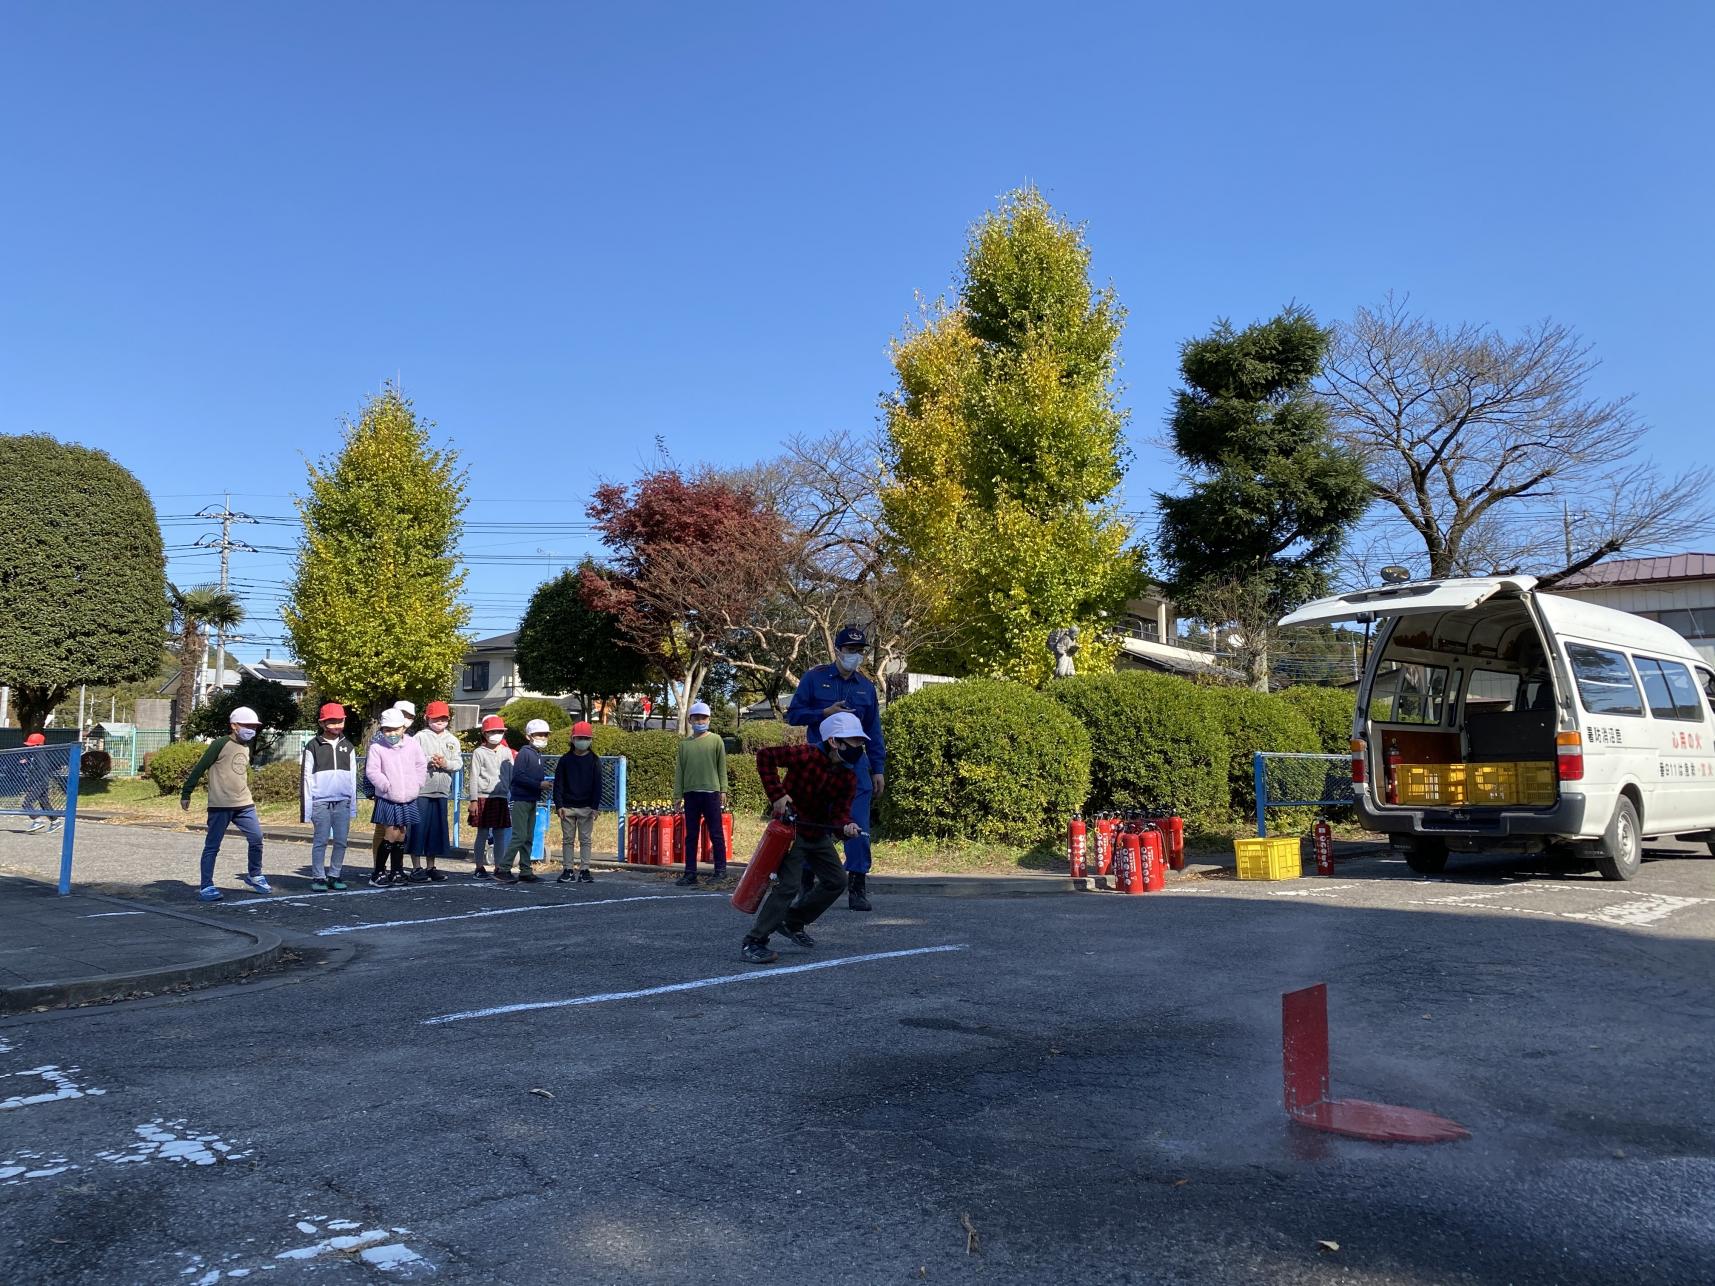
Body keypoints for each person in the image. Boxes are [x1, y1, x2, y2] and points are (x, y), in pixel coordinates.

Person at [740, 712, 869, 964]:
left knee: (837, 880)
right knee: (789, 885)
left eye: (860, 742)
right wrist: (777, 795)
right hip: (791, 833)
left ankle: (793, 920)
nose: (859, 747)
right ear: (834, 741)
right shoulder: (806, 754)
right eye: (854, 741)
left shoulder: (848, 776)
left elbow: (839, 816)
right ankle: (754, 941)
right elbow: (765, 756)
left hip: (817, 834)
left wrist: (846, 827)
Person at [786, 624, 886, 911]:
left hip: (855, 764)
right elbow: (793, 715)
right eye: (850, 649)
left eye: (859, 651)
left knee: (858, 825)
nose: (855, 655)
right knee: (812, 823)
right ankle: (805, 885)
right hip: (820, 763)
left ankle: (857, 887)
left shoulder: (866, 686)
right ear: (838, 650)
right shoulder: (814, 678)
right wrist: (823, 712)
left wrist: (877, 768)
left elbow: (874, 730)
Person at [180, 705, 269, 902]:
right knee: (213, 845)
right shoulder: (220, 744)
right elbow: (200, 767)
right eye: (247, 726)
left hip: (244, 803)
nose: (251, 730)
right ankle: (206, 885)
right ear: (234, 725)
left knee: (256, 837)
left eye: (254, 727)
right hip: (220, 804)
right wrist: (187, 792)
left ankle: (255, 875)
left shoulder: (246, 747)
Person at [364, 708, 427, 886]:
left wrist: (417, 783)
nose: (392, 733)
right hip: (388, 797)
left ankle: (397, 871)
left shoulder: (412, 744)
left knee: (401, 834)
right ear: (382, 730)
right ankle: (378, 872)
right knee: (390, 834)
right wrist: (386, 786)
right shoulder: (377, 747)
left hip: (408, 796)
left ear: (403, 728)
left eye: (396, 729)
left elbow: (421, 764)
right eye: (387, 730)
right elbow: (372, 771)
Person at [300, 703, 358, 891]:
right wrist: (307, 810)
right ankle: (318, 877)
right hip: (320, 801)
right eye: (332, 722)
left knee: (341, 840)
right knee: (321, 840)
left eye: (340, 721)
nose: (337, 725)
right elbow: (306, 778)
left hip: (343, 801)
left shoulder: (348, 746)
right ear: (322, 723)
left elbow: (353, 777)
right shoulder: (313, 746)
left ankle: (335, 874)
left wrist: (353, 807)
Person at [673, 700, 727, 886]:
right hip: (690, 793)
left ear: (709, 719)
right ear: (690, 720)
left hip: (711, 792)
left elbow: (721, 766)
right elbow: (679, 771)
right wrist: (677, 795)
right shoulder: (684, 745)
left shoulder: (716, 740)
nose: (700, 721)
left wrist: (723, 789)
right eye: (696, 718)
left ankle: (720, 871)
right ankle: (690, 873)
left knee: (716, 833)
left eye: (704, 718)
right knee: (691, 835)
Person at [408, 699, 460, 883]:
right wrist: (429, 760)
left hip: (441, 791)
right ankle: (416, 867)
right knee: (418, 829)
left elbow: (458, 763)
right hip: (422, 791)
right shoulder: (420, 737)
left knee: (435, 830)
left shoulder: (452, 740)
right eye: (436, 718)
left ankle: (431, 866)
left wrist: (445, 763)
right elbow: (412, 759)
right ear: (427, 718)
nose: (440, 722)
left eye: (443, 718)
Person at [496, 717, 551, 884]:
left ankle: (525, 870)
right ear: (529, 736)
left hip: (531, 798)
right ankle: (503, 868)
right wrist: (538, 784)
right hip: (521, 799)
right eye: (538, 734)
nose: (542, 738)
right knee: (519, 835)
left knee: (528, 836)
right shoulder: (525, 753)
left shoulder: (536, 754)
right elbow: (518, 777)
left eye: (545, 735)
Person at [553, 720, 600, 885]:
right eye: (579, 738)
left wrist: (595, 806)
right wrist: (559, 805)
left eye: (586, 738)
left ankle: (585, 869)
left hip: (587, 807)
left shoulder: (594, 760)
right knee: (567, 839)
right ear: (572, 739)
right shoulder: (565, 760)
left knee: (585, 839)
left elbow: (598, 785)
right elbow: (558, 784)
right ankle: (568, 869)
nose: (583, 741)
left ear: (591, 740)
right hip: (567, 807)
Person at [467, 715, 514, 878]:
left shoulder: (507, 752)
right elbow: (474, 776)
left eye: (499, 731)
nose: (496, 734)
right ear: (484, 733)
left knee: (500, 834)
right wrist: (473, 799)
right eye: (492, 731)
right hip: (483, 797)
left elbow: (511, 774)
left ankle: (499, 867)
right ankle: (479, 867)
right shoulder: (479, 752)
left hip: (501, 796)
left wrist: (511, 794)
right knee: (482, 833)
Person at [19, 732, 57, 833]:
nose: (29, 747)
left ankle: (37, 820)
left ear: (38, 745)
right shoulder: (35, 753)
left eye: (32, 745)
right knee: (44, 802)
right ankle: (55, 821)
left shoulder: (39, 752)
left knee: (26, 802)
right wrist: (26, 761)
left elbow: (44, 768)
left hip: (40, 781)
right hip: (41, 781)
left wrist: (35, 777)